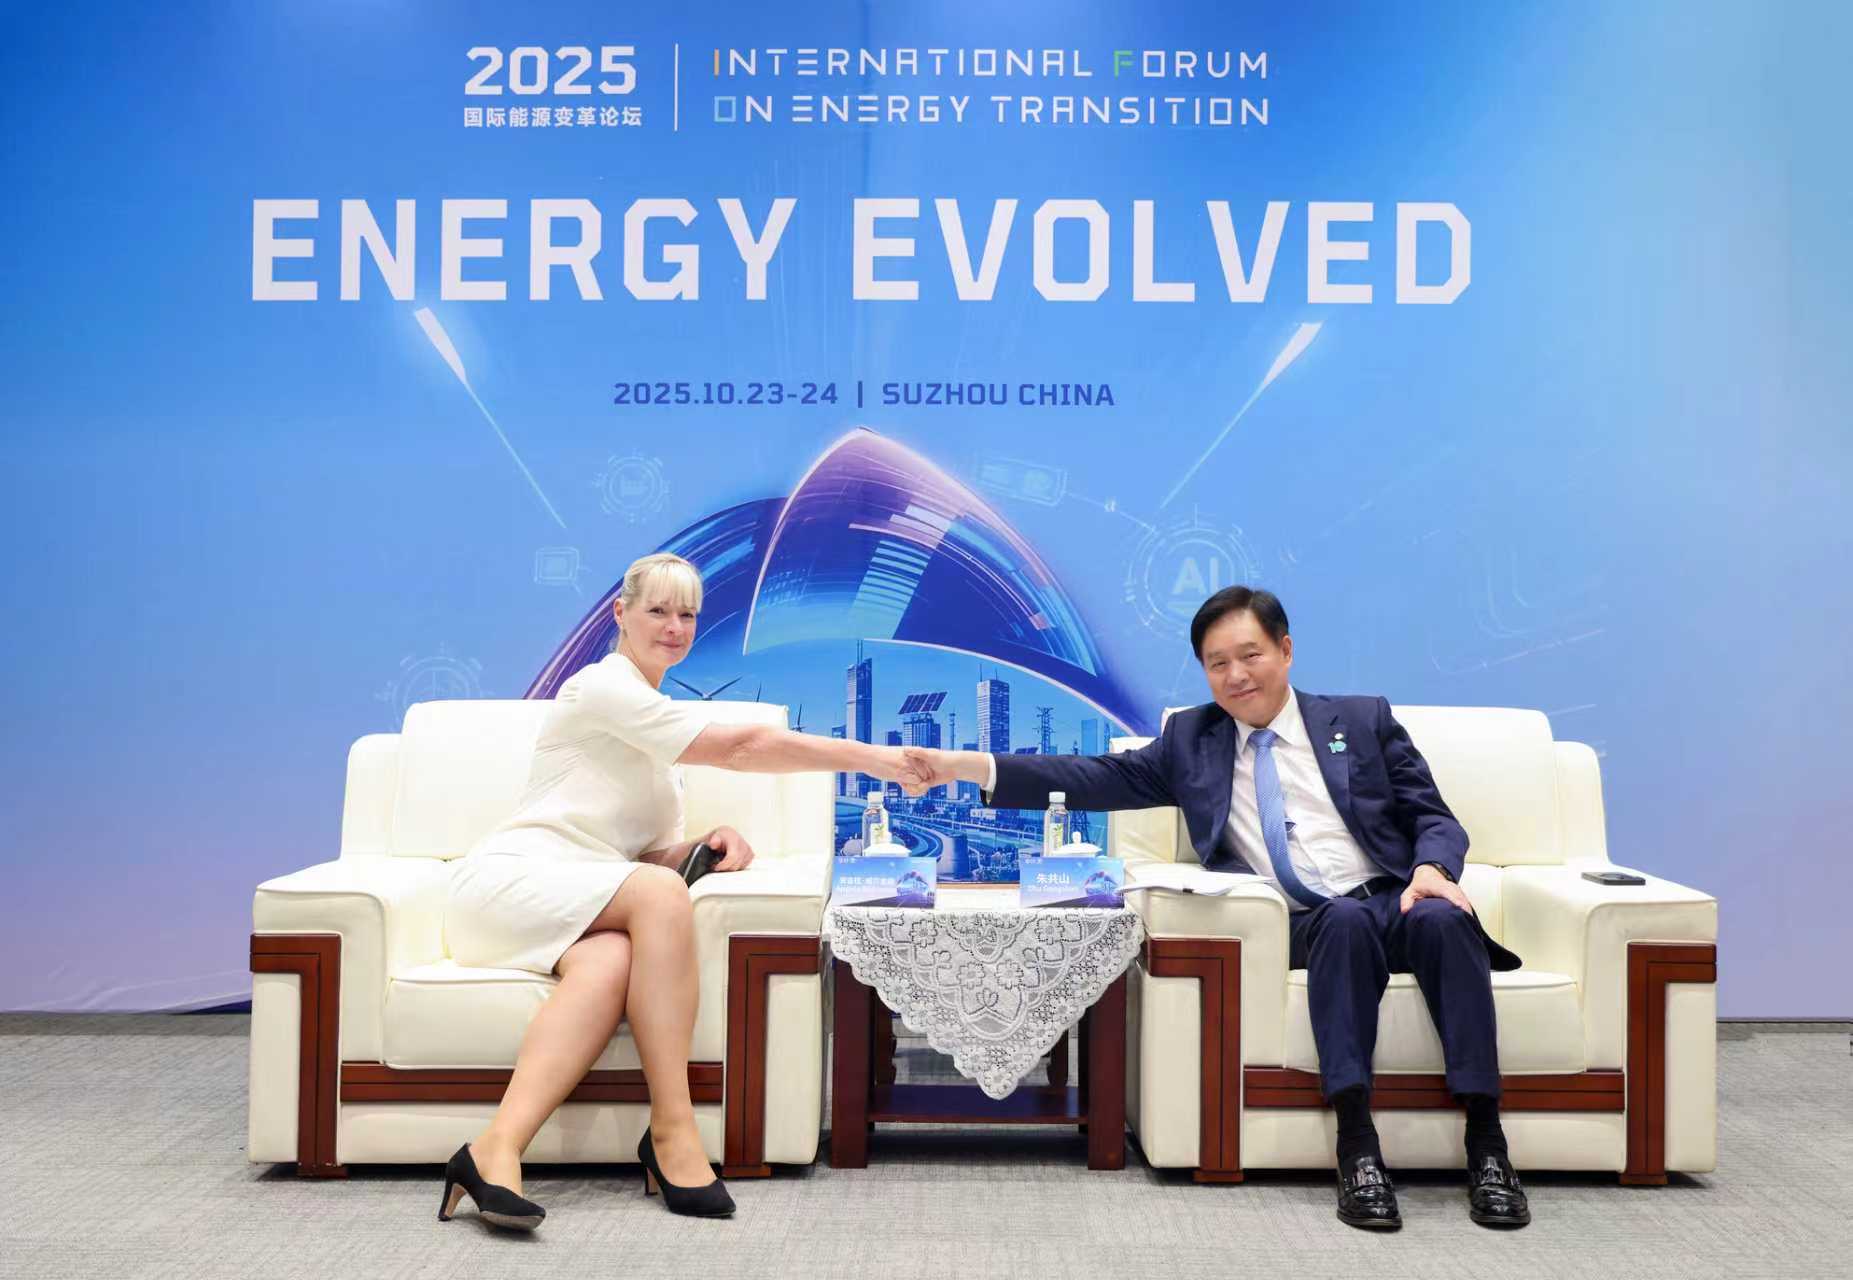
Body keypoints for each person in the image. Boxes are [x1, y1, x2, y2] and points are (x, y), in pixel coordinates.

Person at [899, 586, 1531, 1230]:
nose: (1236, 675)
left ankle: (1488, 1144)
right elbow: (1091, 775)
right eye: (1217, 663)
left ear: (1285, 650)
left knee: (1446, 917)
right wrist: (963, 767)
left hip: (1396, 899)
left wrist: (1430, 870)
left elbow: (1433, 817)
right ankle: (1357, 1147)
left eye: (1250, 655)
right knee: (1341, 922)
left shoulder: (1362, 720)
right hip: (1311, 923)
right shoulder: (1192, 741)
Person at [439, 552, 912, 1226]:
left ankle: (493, 1149)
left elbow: (632, 855)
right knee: (660, 893)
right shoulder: (601, 686)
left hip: (576, 897)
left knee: (613, 958)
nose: (674, 627)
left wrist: (703, 843)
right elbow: (740, 749)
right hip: (509, 882)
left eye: (687, 614)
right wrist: (874, 758)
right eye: (657, 610)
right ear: (620, 613)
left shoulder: (658, 738)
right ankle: (671, 1128)